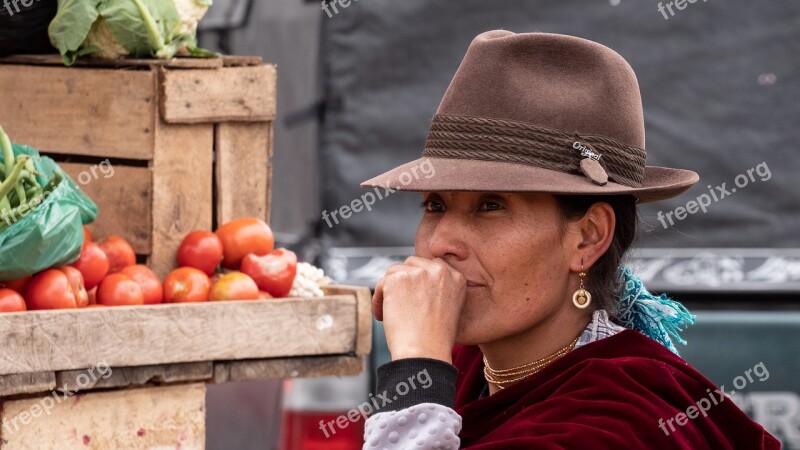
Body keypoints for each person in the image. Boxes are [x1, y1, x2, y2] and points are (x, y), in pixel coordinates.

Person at [359, 30, 781, 449]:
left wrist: (418, 366)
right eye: (434, 205)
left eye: (490, 206)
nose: (440, 244)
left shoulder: (617, 425)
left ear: (587, 238)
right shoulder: (474, 367)